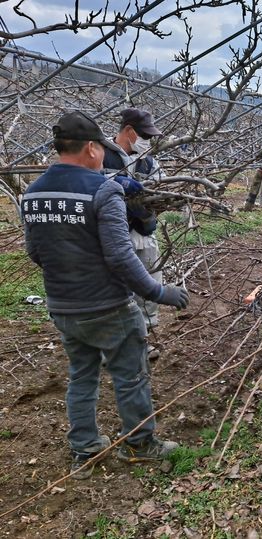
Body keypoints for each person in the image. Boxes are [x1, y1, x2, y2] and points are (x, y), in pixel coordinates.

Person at [22, 111, 189, 478]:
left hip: (63, 306)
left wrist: (70, 270)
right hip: (108, 305)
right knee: (131, 374)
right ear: (93, 149)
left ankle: (85, 449)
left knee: (82, 376)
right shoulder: (102, 189)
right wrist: (159, 291)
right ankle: (140, 445)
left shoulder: (34, 193)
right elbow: (119, 255)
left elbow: (35, 251)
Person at [103, 108, 164, 358]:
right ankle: (113, 347)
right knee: (116, 289)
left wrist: (148, 213)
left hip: (144, 235)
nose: (146, 142)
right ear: (128, 131)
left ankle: (142, 339)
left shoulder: (148, 161)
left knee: (149, 283)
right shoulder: (102, 155)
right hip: (115, 236)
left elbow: (163, 189)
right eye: (144, 136)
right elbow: (89, 180)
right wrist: (115, 182)